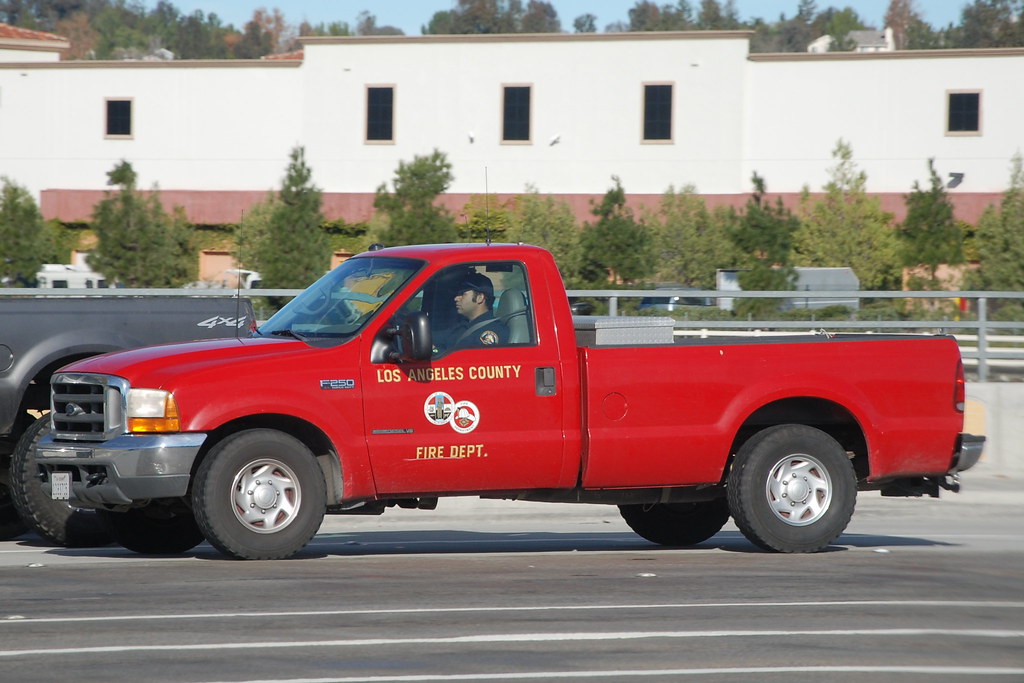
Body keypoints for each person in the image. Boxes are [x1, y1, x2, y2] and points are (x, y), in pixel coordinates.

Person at [446, 271, 508, 350]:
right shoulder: (463, 327)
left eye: (463, 294)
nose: (456, 298)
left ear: (480, 298)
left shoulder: (490, 332)